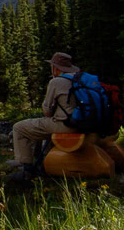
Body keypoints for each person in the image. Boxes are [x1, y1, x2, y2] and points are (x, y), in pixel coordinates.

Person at [12, 52, 79, 180]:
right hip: (85, 124)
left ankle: (27, 171)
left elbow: (47, 112)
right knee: (44, 126)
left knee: (18, 128)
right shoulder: (79, 79)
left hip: (67, 126)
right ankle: (42, 162)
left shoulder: (57, 82)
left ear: (56, 68)